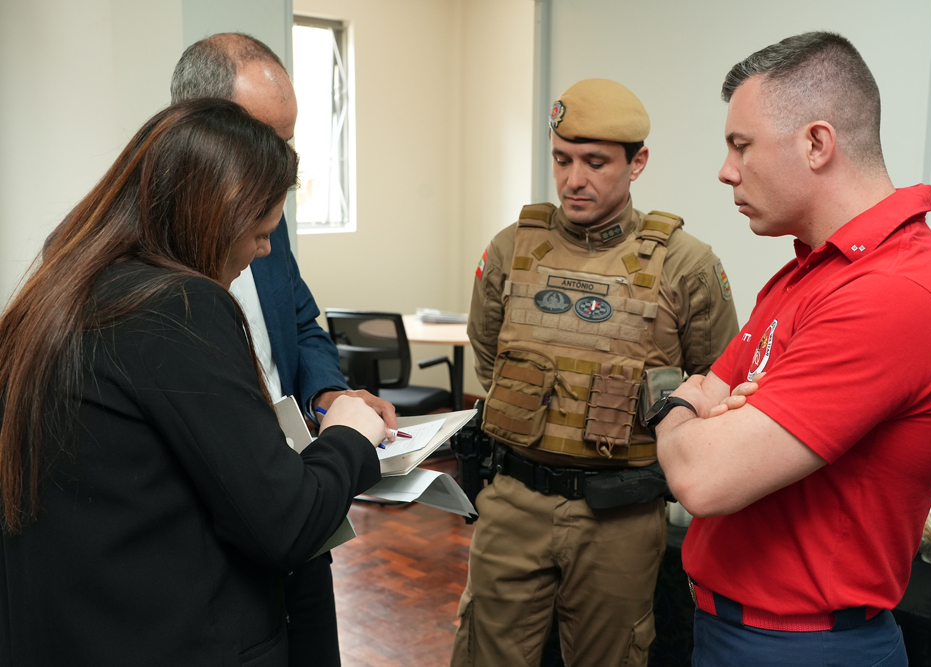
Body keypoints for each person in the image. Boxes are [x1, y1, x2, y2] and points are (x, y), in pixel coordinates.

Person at [0, 99, 387, 666]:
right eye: (259, 232)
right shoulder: (178, 305)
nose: (264, 251)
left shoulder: (64, 288)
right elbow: (287, 523)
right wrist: (349, 435)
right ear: (213, 215)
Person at [653, 32, 931, 666]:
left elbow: (702, 477)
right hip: (732, 629)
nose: (726, 170)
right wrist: (703, 415)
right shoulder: (807, 273)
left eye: (741, 145)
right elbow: (710, 409)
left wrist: (679, 409)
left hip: (805, 646)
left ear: (816, 144)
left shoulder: (893, 293)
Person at [453, 78, 740, 667]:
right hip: (513, 501)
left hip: (620, 516)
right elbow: (488, 356)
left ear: (638, 163)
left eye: (595, 162)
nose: (573, 180)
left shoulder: (687, 266)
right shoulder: (510, 249)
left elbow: (716, 384)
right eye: (562, 159)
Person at [170, 33, 396, 667]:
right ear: (203, 127)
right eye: (266, 141)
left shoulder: (269, 219)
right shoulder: (161, 272)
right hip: (228, 524)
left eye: (289, 142)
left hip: (300, 493)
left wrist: (327, 395)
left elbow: (299, 319)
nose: (284, 164)